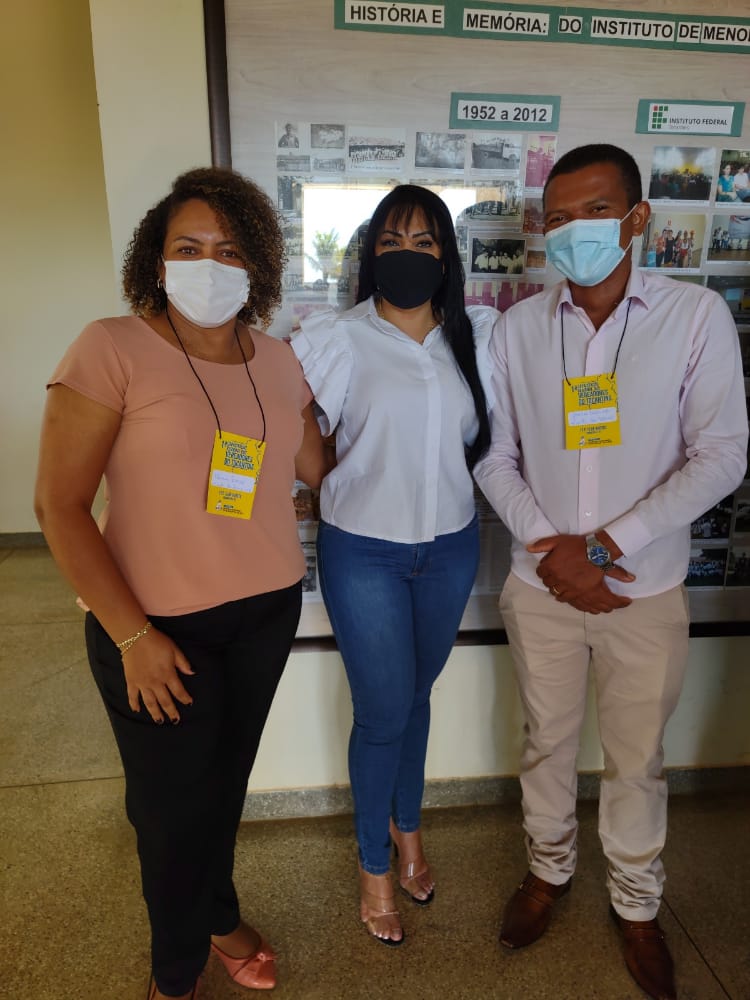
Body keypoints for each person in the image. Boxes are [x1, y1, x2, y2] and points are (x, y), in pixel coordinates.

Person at [34, 167, 329, 1000]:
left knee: (223, 789)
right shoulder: (111, 348)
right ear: (156, 262)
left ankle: (220, 915)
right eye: (188, 248)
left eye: (229, 250)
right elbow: (58, 506)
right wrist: (132, 636)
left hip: (266, 613)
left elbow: (316, 467)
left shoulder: (280, 359)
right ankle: (175, 974)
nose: (209, 265)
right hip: (155, 628)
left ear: (257, 265)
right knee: (169, 815)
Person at [474, 144, 747, 1000]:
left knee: (637, 759)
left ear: (637, 218)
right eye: (557, 217)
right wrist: (552, 549)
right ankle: (548, 871)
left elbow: (721, 456)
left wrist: (600, 550)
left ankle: (636, 903)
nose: (573, 231)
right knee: (545, 741)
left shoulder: (694, 316)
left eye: (594, 211)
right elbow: (493, 455)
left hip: (643, 590)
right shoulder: (519, 329)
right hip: (540, 587)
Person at [291, 184, 497, 946]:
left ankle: (408, 827)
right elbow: (286, 417)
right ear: (370, 254)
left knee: (416, 698)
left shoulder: (474, 337)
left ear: (446, 256)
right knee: (382, 714)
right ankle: (373, 864)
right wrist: (322, 481)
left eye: (424, 242)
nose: (406, 255)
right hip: (365, 554)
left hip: (450, 547)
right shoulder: (339, 338)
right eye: (391, 242)